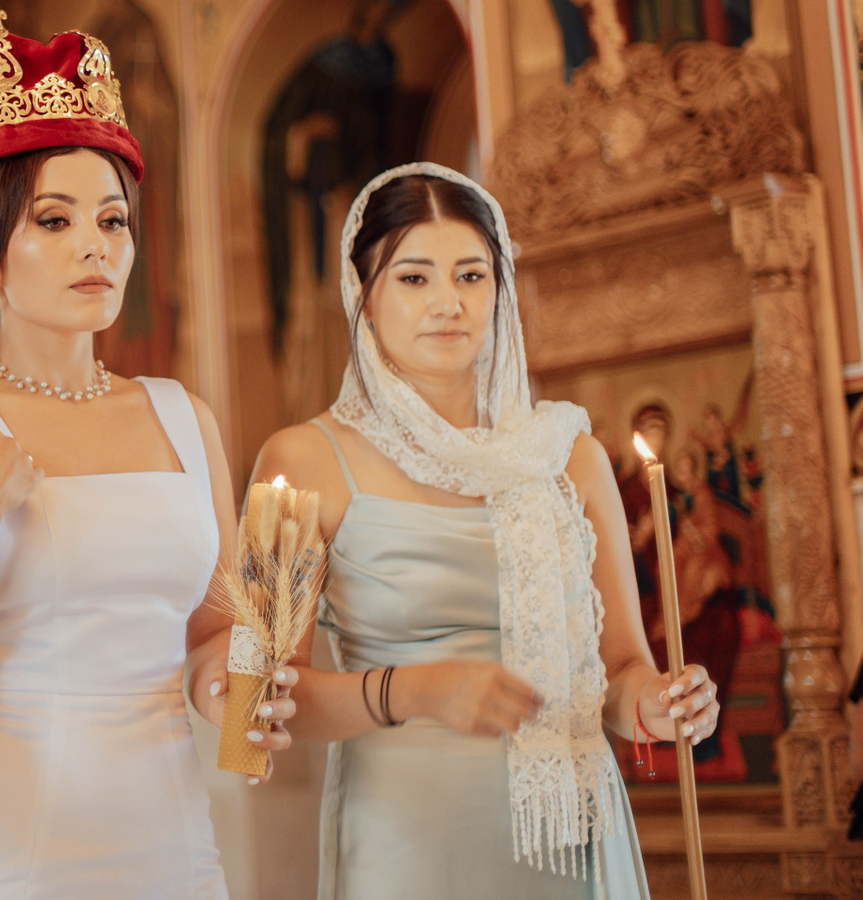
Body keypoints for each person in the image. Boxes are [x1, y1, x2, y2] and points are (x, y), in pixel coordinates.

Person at [0, 6, 289, 899]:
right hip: (8, 840)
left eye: (113, 220)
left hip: (172, 838)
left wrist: (232, 693)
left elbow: (212, 632)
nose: (96, 245)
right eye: (54, 222)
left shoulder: (184, 417)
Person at [253, 163, 719, 898]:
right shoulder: (298, 460)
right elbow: (258, 695)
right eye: (414, 277)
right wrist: (414, 691)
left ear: (500, 290)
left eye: (472, 276)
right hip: (408, 844)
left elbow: (620, 671)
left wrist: (659, 704)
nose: (449, 303)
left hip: (572, 841)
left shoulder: (569, 456)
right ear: (362, 295)